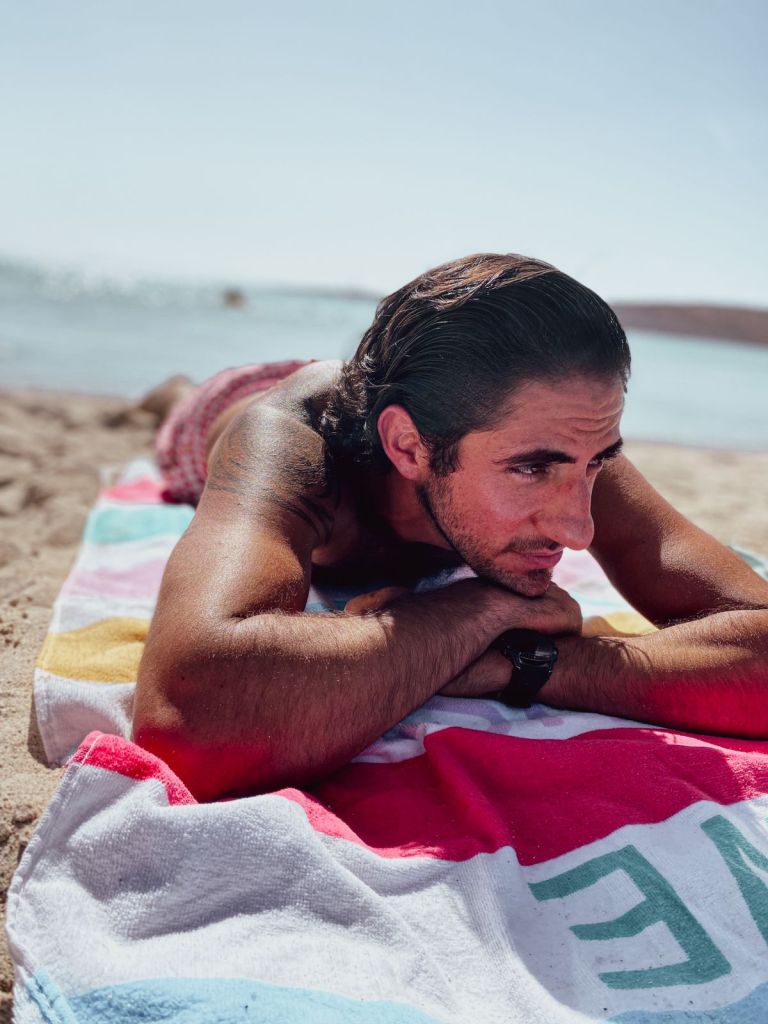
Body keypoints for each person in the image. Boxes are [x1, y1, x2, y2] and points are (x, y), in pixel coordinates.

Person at [132, 253, 768, 801]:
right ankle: (171, 390)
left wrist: (538, 664)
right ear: (409, 448)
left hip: (405, 390)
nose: (579, 530)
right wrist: (477, 609)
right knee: (183, 406)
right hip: (232, 408)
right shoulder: (294, 447)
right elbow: (186, 721)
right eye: (530, 470)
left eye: (597, 462)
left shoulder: (562, 438)